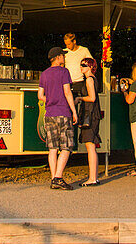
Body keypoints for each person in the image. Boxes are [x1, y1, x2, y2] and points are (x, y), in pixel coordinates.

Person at [38, 46, 78, 190]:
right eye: (63, 55)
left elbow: (40, 96)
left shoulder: (44, 74)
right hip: (63, 112)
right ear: (58, 57)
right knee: (66, 147)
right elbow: (67, 92)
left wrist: (51, 100)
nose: (64, 57)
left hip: (49, 114)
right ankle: (58, 177)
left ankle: (53, 177)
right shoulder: (64, 72)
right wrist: (74, 111)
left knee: (53, 148)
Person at [74, 56, 102, 186]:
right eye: (81, 65)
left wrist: (80, 99)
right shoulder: (91, 80)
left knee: (90, 145)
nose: (81, 67)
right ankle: (93, 177)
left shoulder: (90, 80)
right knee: (90, 145)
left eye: (84, 65)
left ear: (91, 67)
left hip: (90, 115)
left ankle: (92, 178)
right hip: (90, 114)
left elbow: (92, 98)